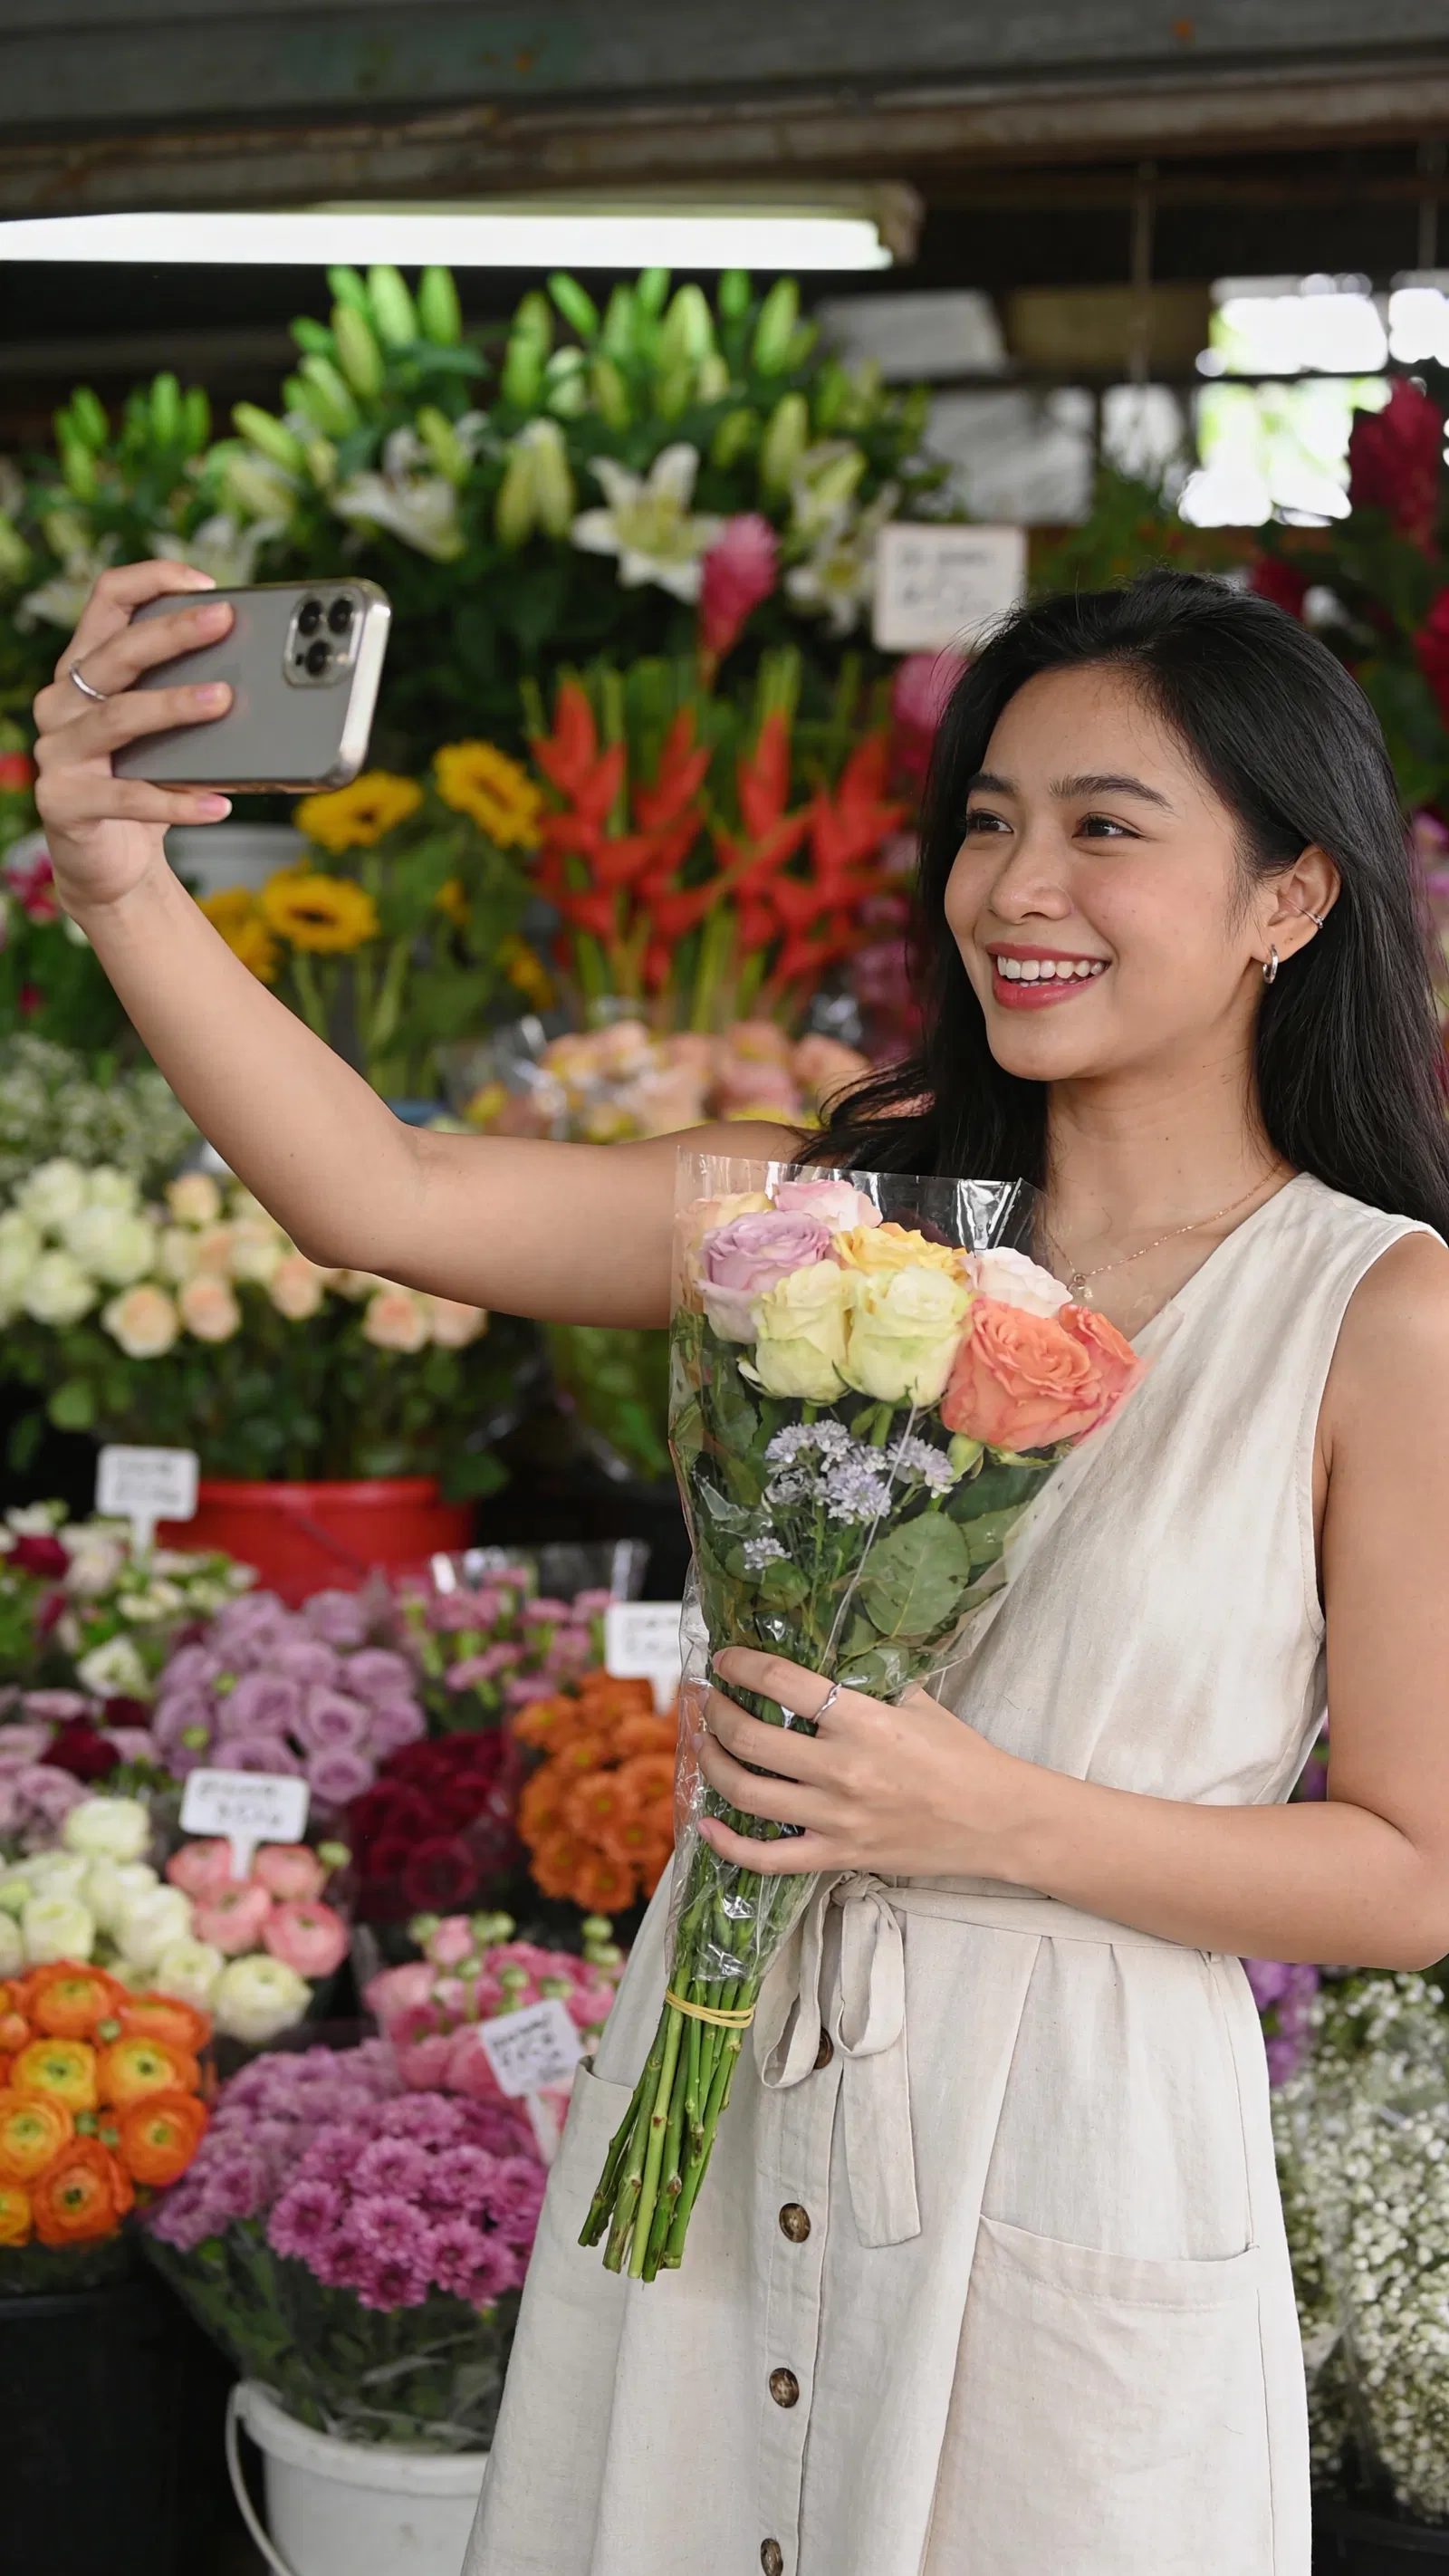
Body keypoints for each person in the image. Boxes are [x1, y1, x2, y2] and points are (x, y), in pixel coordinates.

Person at [33, 563, 1449, 2576]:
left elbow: (1410, 1872)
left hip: (1066, 2134)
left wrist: (978, 1814)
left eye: (1101, 829)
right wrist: (116, 880)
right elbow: (386, 1191)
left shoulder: (1376, 1310)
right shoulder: (827, 1221)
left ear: (1287, 898)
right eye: (985, 821)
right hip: (724, 2083)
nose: (1014, 888)